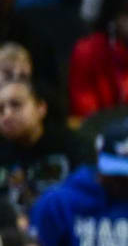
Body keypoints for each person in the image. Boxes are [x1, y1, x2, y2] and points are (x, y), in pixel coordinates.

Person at [0, 78, 85, 209]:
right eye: (1, 110)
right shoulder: (2, 153)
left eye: (16, 105)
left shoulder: (73, 145)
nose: (7, 115)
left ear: (41, 108)